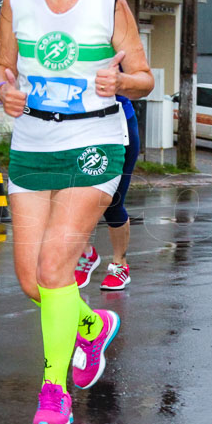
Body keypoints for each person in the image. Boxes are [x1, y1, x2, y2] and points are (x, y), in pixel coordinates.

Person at [0, 0, 153, 424]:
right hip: (33, 141)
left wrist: (122, 82)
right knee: (32, 282)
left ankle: (54, 390)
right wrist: (4, 91)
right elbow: (2, 66)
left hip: (95, 139)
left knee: (54, 269)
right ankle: (91, 321)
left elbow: (145, 76)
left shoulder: (107, 1)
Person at [74, 94, 139, 291]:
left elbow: (142, 82)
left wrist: (117, 80)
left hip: (118, 125)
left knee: (113, 201)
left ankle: (120, 265)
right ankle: (86, 254)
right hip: (77, 127)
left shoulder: (116, 62)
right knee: (75, 197)